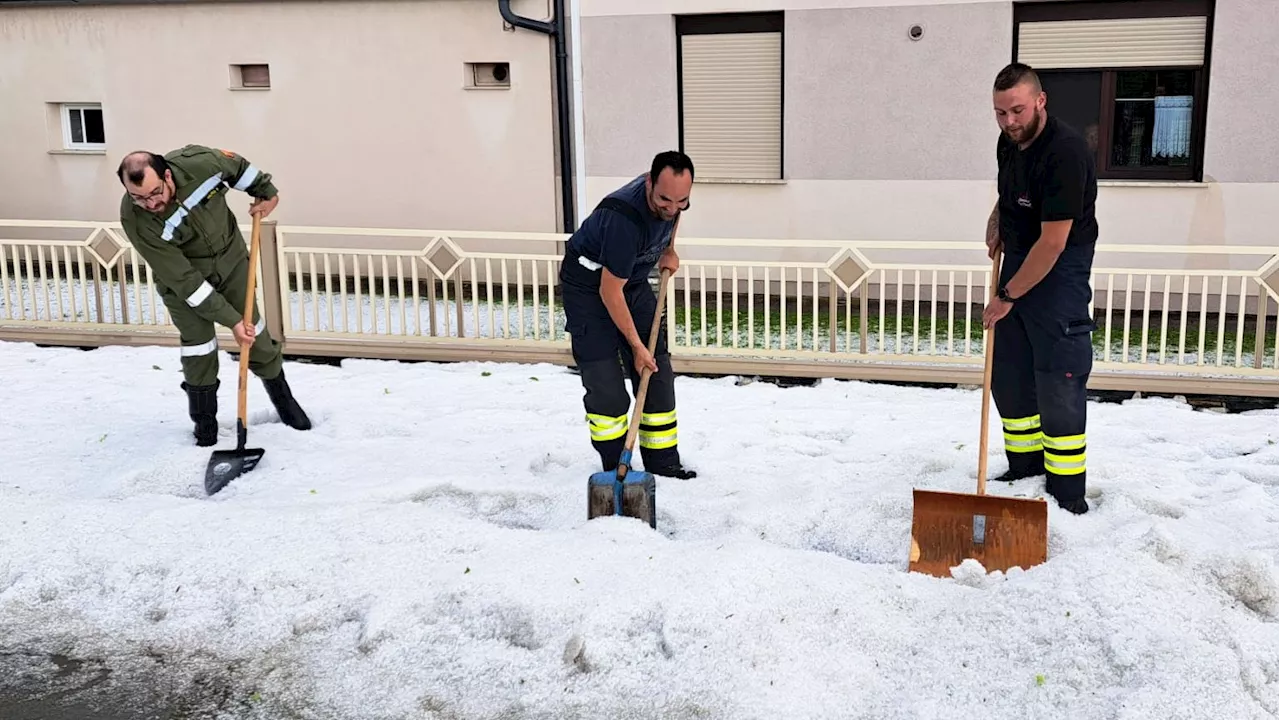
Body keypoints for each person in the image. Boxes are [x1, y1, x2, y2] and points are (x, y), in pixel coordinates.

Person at [116, 146, 311, 447]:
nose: (150, 203)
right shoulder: (136, 219)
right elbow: (184, 280)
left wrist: (267, 193)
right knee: (199, 347)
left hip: (231, 261)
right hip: (184, 283)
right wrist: (230, 320)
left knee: (255, 332)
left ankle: (285, 403)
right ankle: (205, 425)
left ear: (167, 175)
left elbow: (241, 170)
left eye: (155, 192)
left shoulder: (202, 165)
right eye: (138, 197)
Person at [982, 63, 1098, 515]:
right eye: (999, 113)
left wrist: (1006, 297)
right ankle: (1024, 468)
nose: (1009, 122)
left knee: (1058, 381)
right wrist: (997, 220)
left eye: (1017, 110)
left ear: (1040, 101)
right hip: (1019, 259)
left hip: (1059, 271)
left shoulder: (1065, 152)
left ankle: (1067, 494)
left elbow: (1053, 243)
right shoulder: (1008, 143)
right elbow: (1008, 192)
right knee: (1010, 376)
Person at [559, 151, 698, 479]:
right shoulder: (623, 218)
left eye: (682, 201)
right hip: (589, 290)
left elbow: (672, 218)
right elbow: (609, 292)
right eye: (665, 199)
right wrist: (636, 346)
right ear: (650, 183)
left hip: (631, 283)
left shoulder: (671, 201)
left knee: (656, 371)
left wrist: (669, 250)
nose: (672, 208)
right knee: (606, 384)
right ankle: (615, 469)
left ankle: (663, 464)